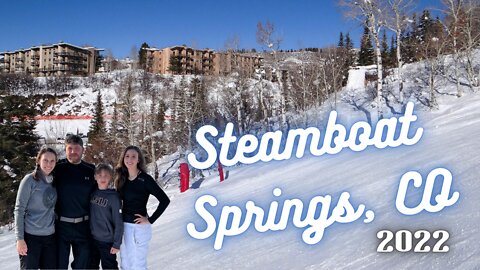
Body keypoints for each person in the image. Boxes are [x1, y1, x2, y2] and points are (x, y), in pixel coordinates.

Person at [115, 145, 170, 270]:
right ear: (123, 159)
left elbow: (164, 200)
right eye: (127, 156)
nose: (130, 159)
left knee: (138, 265)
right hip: (125, 227)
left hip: (139, 228)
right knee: (125, 264)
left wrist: (150, 220)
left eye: (133, 156)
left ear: (138, 160)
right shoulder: (121, 179)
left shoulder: (145, 179)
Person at [54, 134, 96, 269]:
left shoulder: (91, 170)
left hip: (83, 226)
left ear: (83, 150)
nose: (73, 152)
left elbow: (100, 194)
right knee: (60, 265)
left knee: (82, 265)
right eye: (70, 148)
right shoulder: (57, 168)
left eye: (77, 148)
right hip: (61, 226)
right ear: (65, 149)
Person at [14, 146, 58, 270]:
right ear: (38, 161)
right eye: (45, 160)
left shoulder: (55, 181)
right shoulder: (29, 180)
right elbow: (19, 209)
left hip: (50, 238)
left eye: (52, 161)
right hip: (31, 237)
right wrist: (20, 239)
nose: (48, 164)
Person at [90, 163, 123, 270]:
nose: (102, 178)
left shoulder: (113, 197)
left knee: (109, 267)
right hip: (92, 239)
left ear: (110, 177)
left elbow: (118, 221)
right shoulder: (92, 193)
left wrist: (117, 243)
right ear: (95, 177)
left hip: (107, 241)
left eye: (106, 175)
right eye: (99, 175)